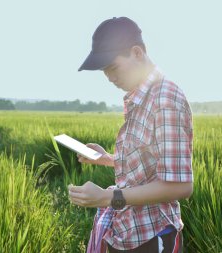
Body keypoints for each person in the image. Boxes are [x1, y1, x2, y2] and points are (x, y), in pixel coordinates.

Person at [68, 17, 193, 253]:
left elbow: (180, 185)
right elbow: (148, 163)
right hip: (125, 233)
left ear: (137, 53)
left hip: (152, 238)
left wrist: (108, 198)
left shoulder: (165, 99)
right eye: (104, 71)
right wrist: (106, 158)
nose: (109, 77)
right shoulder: (140, 97)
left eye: (112, 67)